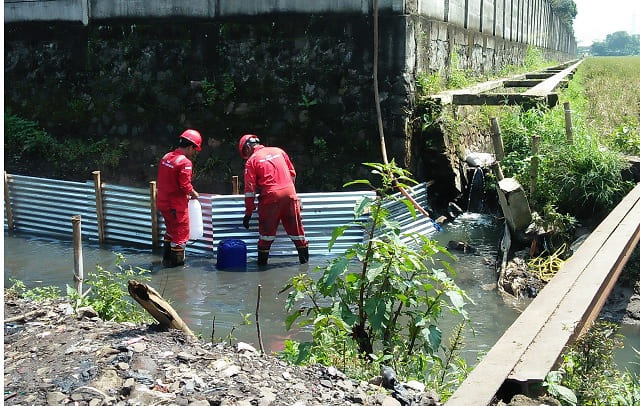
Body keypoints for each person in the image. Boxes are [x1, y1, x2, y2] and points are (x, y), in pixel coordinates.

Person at [238, 134, 309, 266]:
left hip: (270, 198)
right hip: (290, 194)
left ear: (248, 147)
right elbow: (292, 174)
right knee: (298, 234)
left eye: (245, 153)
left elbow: (250, 191)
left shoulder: (252, 161)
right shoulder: (279, 151)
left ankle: (262, 271)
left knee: (266, 236)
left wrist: (248, 213)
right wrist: (292, 195)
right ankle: (305, 267)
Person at [157, 129, 202, 267]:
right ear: (190, 147)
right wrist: (194, 193)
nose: (194, 153)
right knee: (180, 236)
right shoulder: (185, 163)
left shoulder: (166, 156)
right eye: (194, 150)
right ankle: (176, 271)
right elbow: (185, 185)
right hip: (175, 206)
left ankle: (165, 261)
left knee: (171, 231)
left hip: (163, 203)